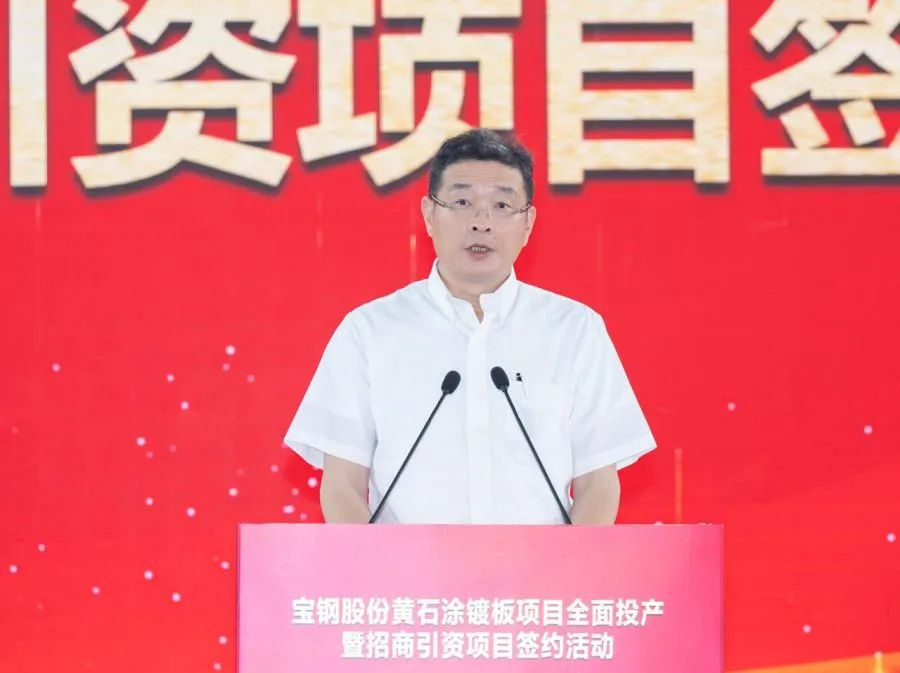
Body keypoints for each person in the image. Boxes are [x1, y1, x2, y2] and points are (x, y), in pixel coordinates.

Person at [283, 129, 655, 525]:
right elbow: (342, 485)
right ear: (429, 214)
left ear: (528, 223)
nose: (481, 222)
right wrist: (374, 563)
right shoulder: (369, 331)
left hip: (542, 566)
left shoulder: (575, 330)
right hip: (406, 565)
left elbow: (598, 483)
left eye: (501, 205)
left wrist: (571, 564)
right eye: (462, 202)